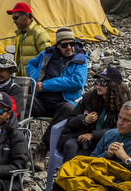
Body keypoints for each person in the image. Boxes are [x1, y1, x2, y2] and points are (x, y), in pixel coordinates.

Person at [47, 101, 131, 191]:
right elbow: (92, 159)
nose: (120, 122)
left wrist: (126, 158)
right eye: (120, 118)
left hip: (122, 182)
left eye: (126, 120)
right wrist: (107, 154)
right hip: (99, 176)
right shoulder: (111, 134)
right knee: (61, 183)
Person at [26, 27, 88, 157]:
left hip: (62, 102)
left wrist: (45, 85)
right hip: (41, 101)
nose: (69, 47)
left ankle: (43, 149)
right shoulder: (46, 54)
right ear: (58, 45)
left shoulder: (80, 58)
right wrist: (34, 75)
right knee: (23, 99)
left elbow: (77, 82)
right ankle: (17, 142)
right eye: (65, 45)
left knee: (69, 109)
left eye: (72, 43)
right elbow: (30, 64)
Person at [56, 67, 131, 168]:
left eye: (103, 83)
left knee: (78, 159)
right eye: (98, 81)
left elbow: (119, 130)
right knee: (69, 145)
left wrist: (93, 135)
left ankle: (70, 178)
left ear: (113, 87)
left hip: (105, 144)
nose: (98, 85)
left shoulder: (123, 106)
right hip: (80, 137)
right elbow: (70, 122)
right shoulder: (89, 99)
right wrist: (84, 120)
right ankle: (65, 178)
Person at [7, 2, 48, 77]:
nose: (14, 21)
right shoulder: (20, 35)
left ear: (26, 16)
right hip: (23, 81)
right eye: (13, 18)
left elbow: (47, 59)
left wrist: (39, 79)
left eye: (15, 18)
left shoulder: (39, 33)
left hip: (34, 81)